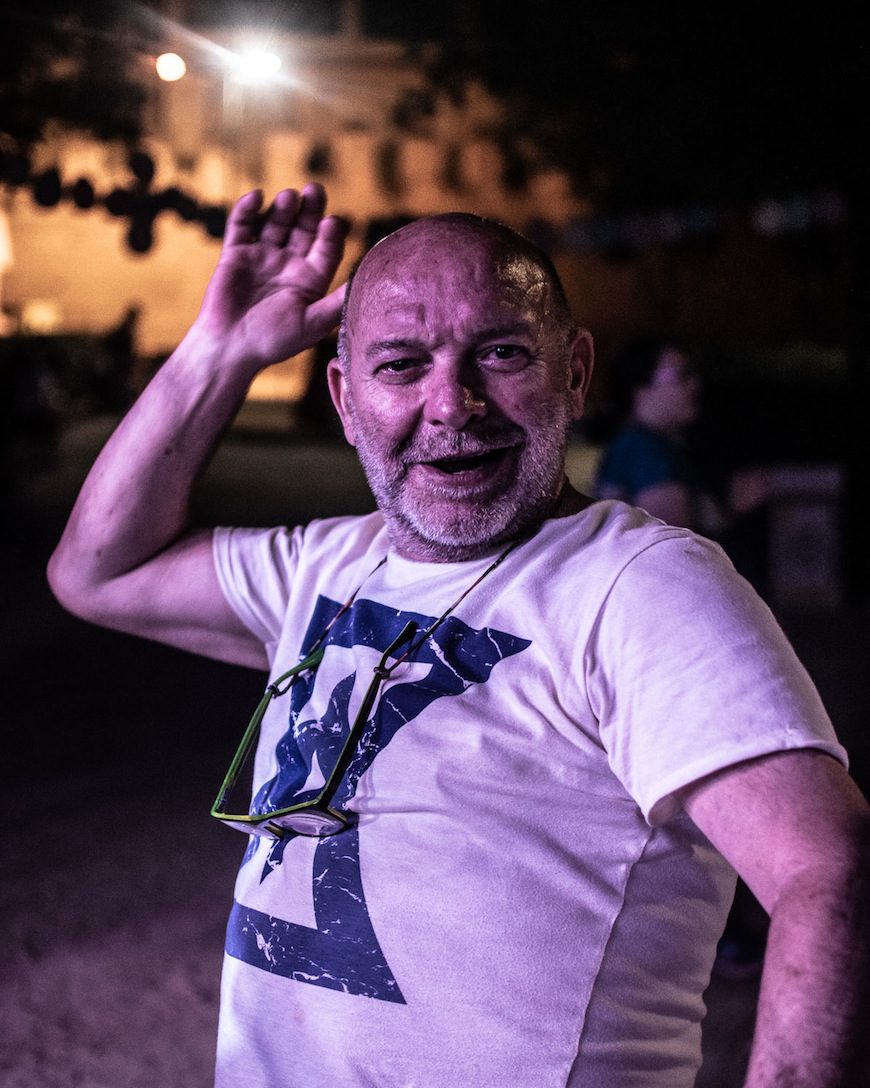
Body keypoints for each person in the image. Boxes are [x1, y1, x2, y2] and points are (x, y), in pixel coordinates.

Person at [47, 183, 868, 1087]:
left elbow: (829, 874)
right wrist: (222, 351)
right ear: (345, 398)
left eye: (503, 354)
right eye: (401, 365)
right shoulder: (321, 567)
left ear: (575, 372)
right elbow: (97, 571)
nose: (454, 403)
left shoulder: (639, 586)